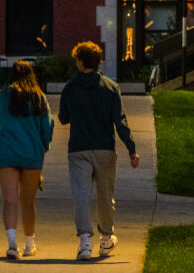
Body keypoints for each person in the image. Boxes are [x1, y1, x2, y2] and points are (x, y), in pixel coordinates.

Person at [57, 41, 140, 261]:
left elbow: (63, 118)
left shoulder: (70, 88)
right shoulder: (111, 87)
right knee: (105, 195)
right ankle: (106, 237)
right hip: (105, 148)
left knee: (81, 195)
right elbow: (119, 121)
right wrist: (131, 148)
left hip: (78, 149)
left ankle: (84, 241)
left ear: (80, 61)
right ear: (98, 61)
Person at [0, 60, 55, 260]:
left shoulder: (2, 96)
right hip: (31, 154)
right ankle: (29, 245)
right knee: (28, 202)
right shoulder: (38, 97)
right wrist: (43, 146)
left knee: (10, 201)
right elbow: (48, 126)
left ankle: (12, 244)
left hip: (6, 153)